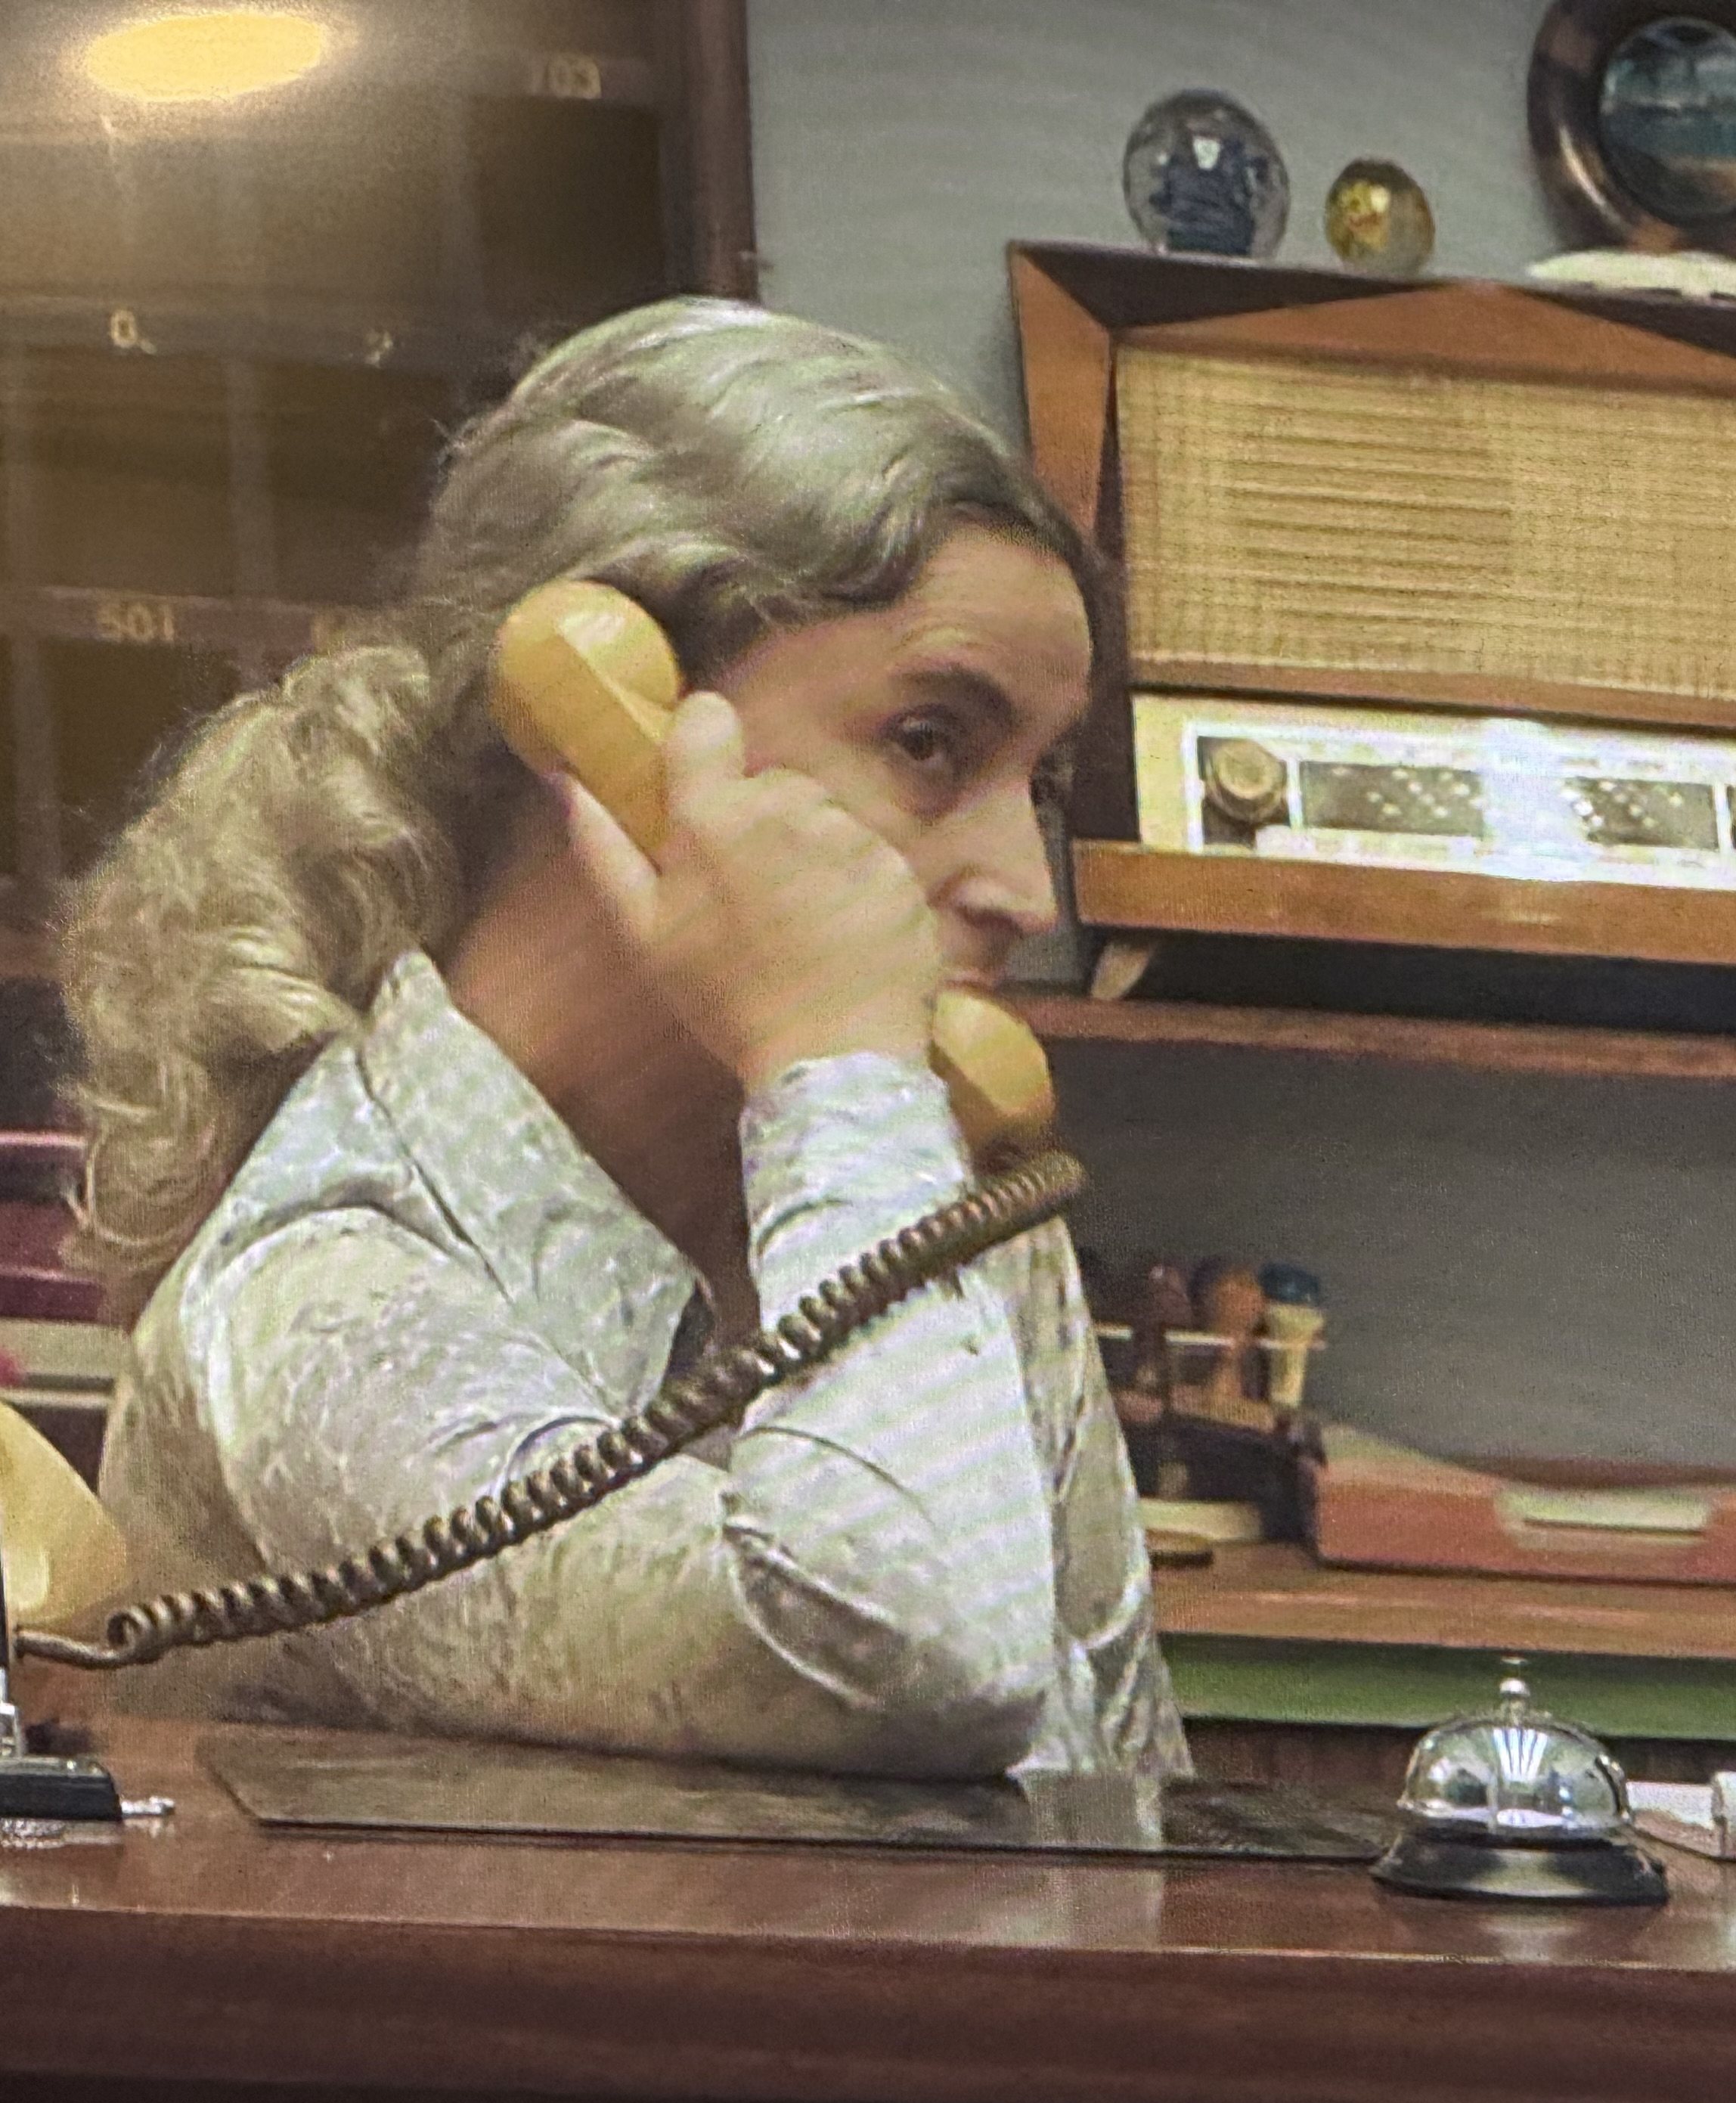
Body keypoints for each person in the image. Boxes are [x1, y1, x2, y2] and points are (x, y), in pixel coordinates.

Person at [56, 298, 1183, 1781]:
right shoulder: (310, 1302)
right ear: (597, 716)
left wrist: (860, 1113)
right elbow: (911, 1658)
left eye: (1037, 785)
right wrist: (838, 1079)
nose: (1026, 893)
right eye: (930, 744)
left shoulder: (932, 1196)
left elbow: (1124, 1799)